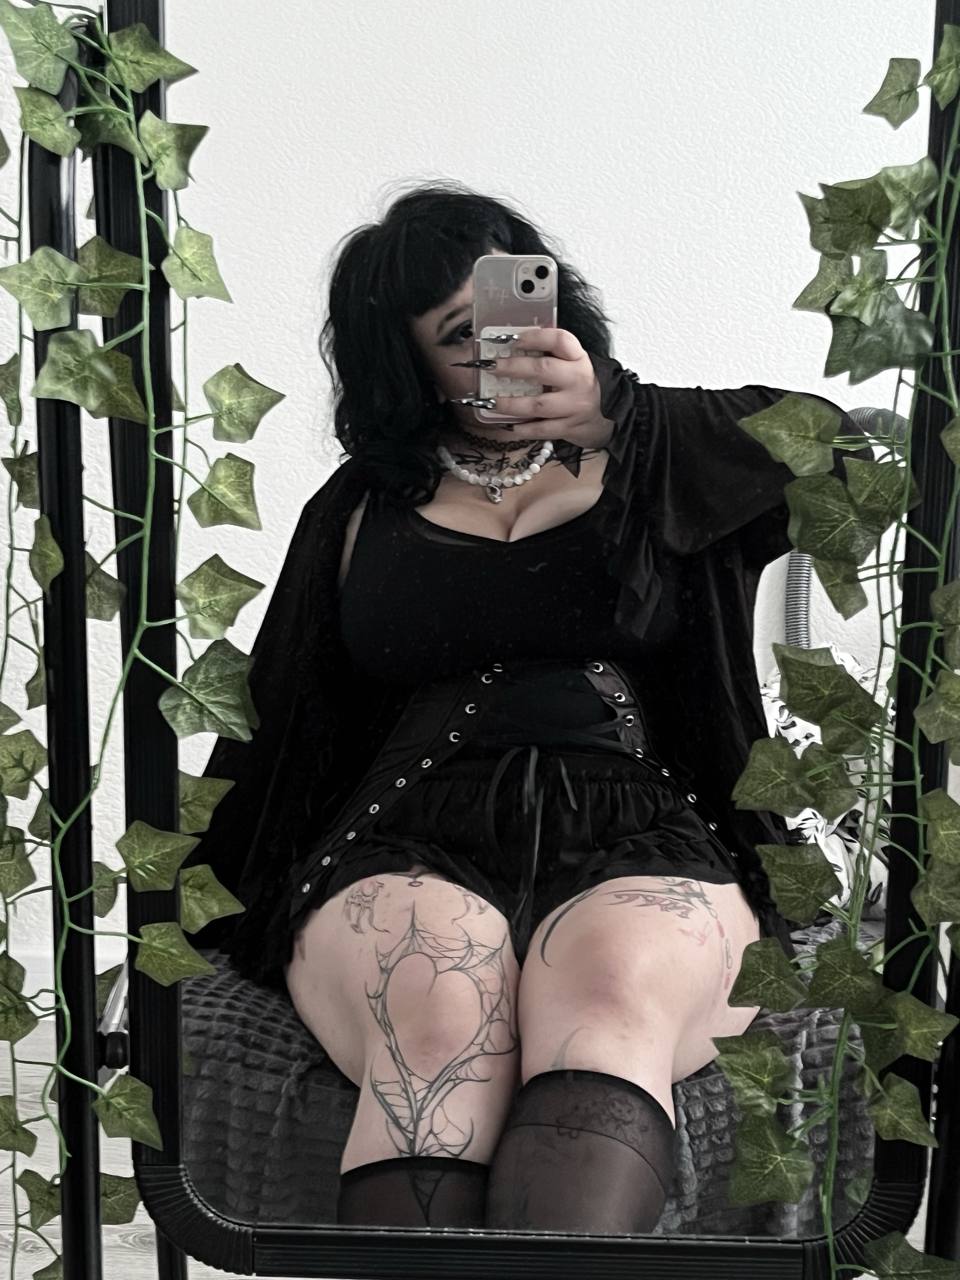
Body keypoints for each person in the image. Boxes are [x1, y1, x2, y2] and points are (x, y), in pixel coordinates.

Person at [182, 180, 874, 1236]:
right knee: (435, 1020)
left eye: (508, 312)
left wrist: (618, 411)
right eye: (459, 335)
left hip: (643, 822)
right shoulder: (358, 510)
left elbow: (855, 464)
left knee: (608, 1003)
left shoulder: (656, 459)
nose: (501, 348)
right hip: (408, 828)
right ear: (405, 364)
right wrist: (190, 894)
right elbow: (282, 713)